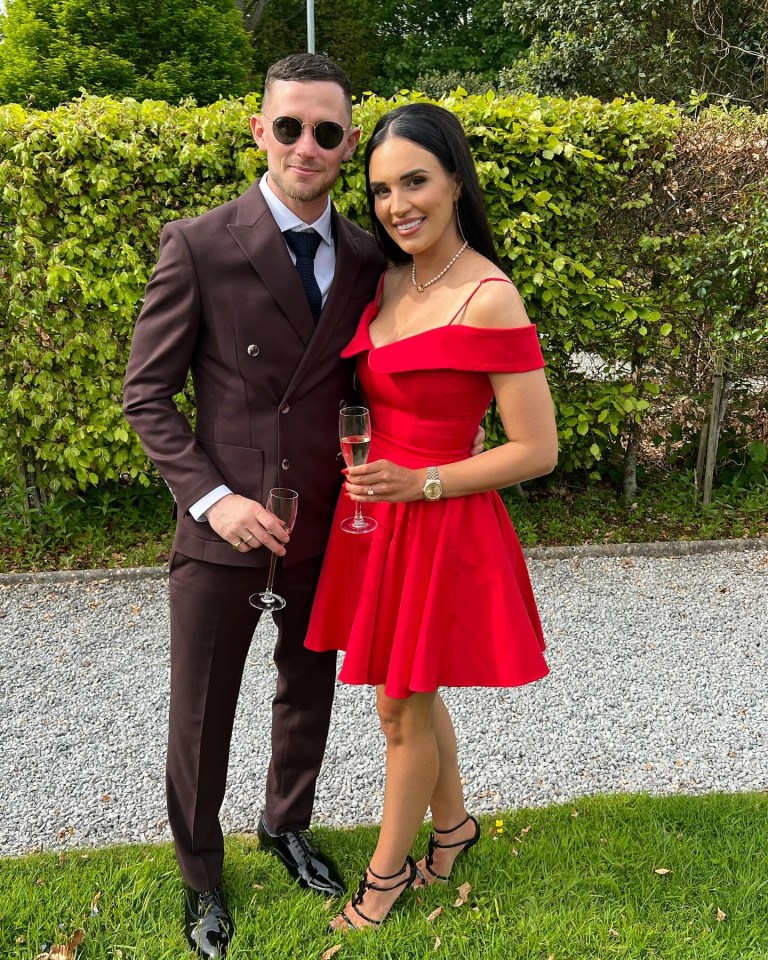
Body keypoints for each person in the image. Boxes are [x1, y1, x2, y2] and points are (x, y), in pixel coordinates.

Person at [122, 54, 386, 958]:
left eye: (325, 131)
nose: (305, 145)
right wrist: (212, 500)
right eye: (288, 127)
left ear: (347, 144)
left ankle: (285, 825)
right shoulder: (196, 242)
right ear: (258, 131)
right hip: (225, 528)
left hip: (325, 525)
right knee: (202, 711)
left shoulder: (363, 255)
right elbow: (146, 396)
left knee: (307, 688)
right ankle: (201, 876)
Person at [304, 102, 560, 932]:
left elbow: (536, 450)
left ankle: (384, 885)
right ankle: (452, 829)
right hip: (380, 521)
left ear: (455, 180)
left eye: (415, 181)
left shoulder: (491, 297)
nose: (397, 203)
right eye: (380, 189)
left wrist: (425, 484)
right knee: (407, 687)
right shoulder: (386, 278)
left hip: (440, 517)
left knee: (396, 706)